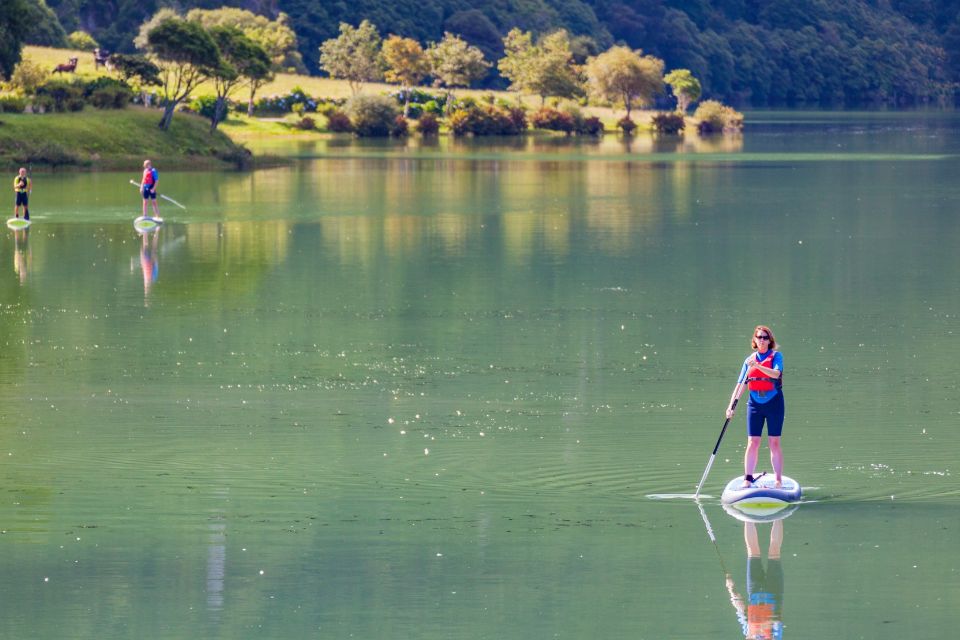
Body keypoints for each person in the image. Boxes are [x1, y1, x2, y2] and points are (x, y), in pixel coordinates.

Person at [726, 325, 784, 488]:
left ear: (770, 340)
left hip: (774, 403)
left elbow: (776, 374)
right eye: (759, 337)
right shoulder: (748, 360)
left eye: (765, 337)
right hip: (754, 404)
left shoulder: (776, 356)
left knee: (774, 442)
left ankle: (778, 480)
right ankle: (748, 478)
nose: (762, 340)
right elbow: (740, 385)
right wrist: (731, 406)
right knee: (753, 441)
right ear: (755, 340)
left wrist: (757, 366)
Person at [725, 519, 785, 640]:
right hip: (774, 593)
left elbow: (741, 610)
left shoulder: (747, 633)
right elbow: (777, 620)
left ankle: (747, 516)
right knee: (774, 552)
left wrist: (731, 589)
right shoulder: (776, 637)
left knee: (752, 551)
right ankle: (779, 516)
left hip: (754, 590)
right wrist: (761, 629)